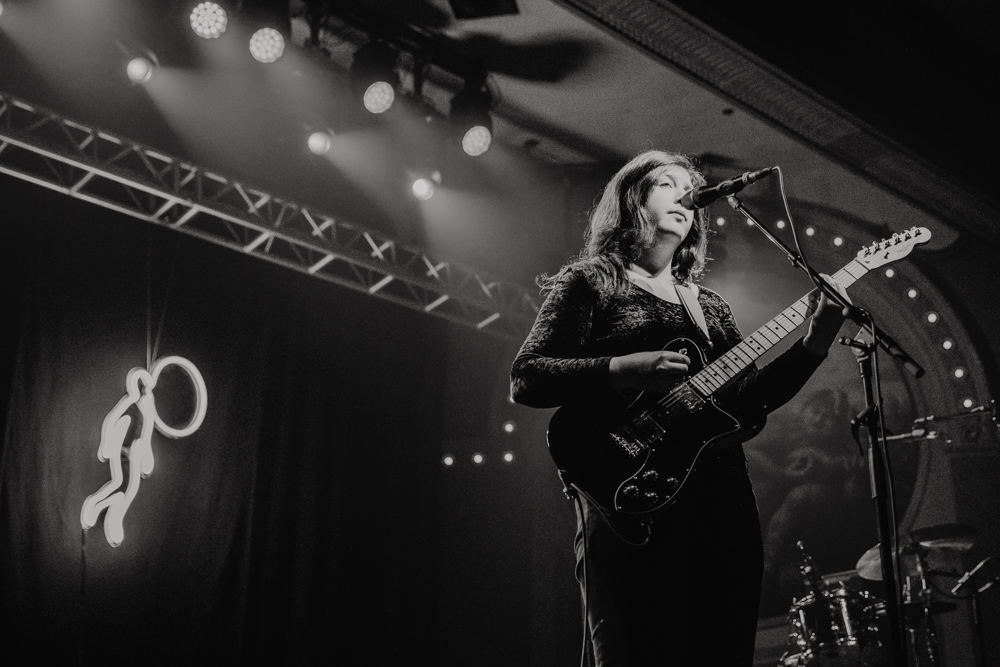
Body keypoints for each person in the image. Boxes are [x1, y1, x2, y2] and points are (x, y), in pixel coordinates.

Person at [509, 150, 850, 666]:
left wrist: (816, 341)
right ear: (632, 201)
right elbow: (527, 377)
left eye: (689, 188)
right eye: (667, 183)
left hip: (722, 498)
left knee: (723, 643)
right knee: (642, 647)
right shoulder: (592, 282)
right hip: (630, 488)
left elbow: (753, 397)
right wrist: (623, 368)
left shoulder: (709, 305)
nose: (686, 196)